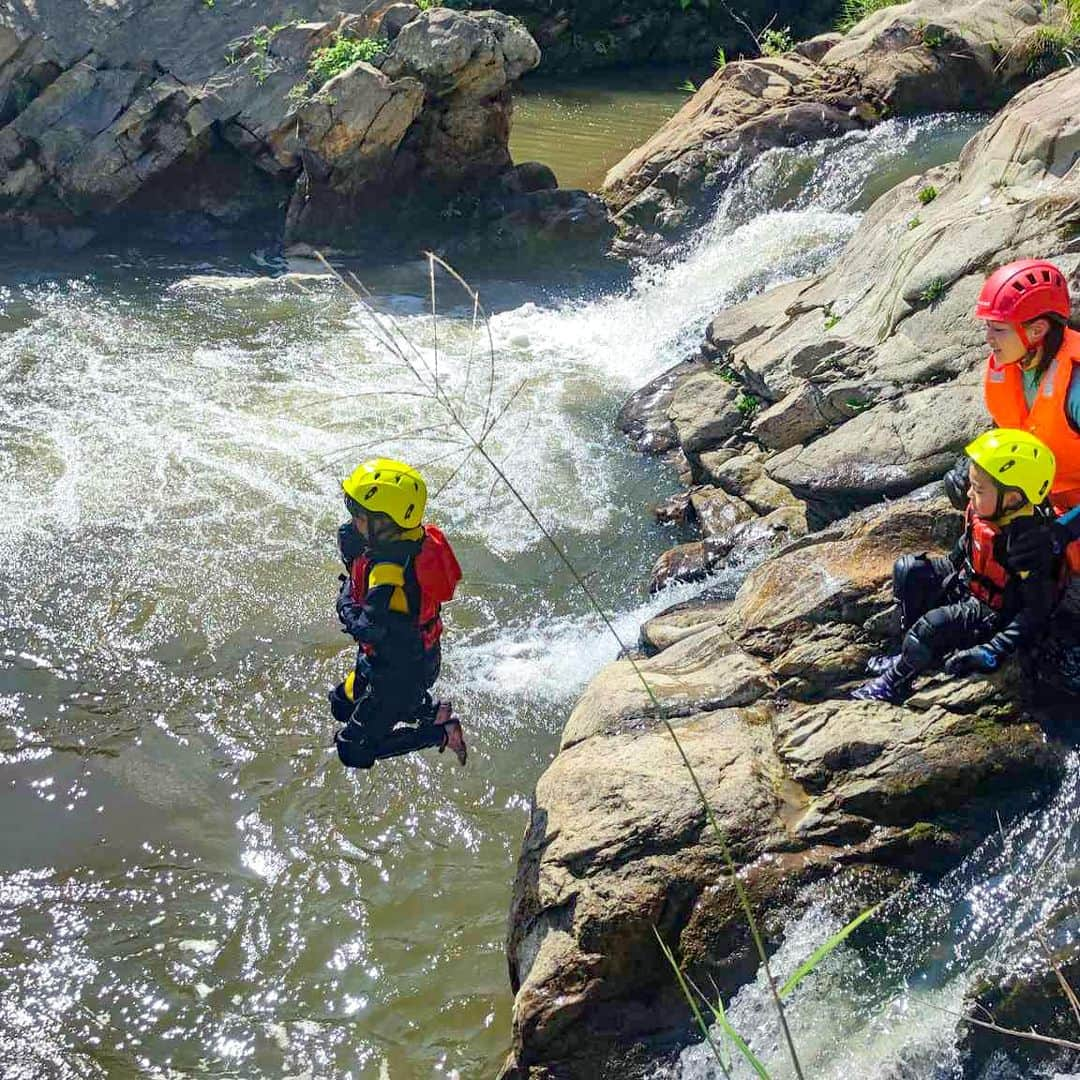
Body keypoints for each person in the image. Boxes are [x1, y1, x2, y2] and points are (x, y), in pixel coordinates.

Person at [853, 429, 1062, 703]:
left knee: (931, 626)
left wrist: (993, 649)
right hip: (970, 580)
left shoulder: (1026, 546)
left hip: (994, 611)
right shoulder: (992, 510)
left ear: (1012, 498)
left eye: (978, 489)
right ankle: (908, 653)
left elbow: (1035, 612)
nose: (968, 493)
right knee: (909, 570)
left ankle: (894, 683)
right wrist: (945, 572)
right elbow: (966, 547)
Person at [328, 458, 467, 770]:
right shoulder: (408, 540)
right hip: (390, 660)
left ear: (385, 523)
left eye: (359, 516)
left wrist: (344, 600)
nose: (352, 523)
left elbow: (367, 628)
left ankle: (441, 733)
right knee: (340, 705)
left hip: (400, 673)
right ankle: (432, 710)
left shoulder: (389, 572)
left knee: (352, 749)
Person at [944, 259, 1080, 565]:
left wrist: (1064, 531)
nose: (988, 338)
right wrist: (968, 463)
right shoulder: (1014, 366)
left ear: (1037, 330)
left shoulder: (1076, 386)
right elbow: (1009, 430)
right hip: (1046, 495)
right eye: (987, 327)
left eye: (999, 329)